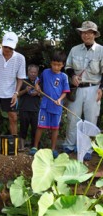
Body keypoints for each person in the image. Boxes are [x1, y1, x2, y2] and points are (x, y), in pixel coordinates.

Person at [63, 21, 103, 161]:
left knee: (91, 120)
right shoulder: (74, 50)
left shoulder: (101, 50)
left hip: (94, 88)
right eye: (83, 32)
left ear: (94, 34)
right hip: (77, 88)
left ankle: (88, 149)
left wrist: (101, 89)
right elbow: (67, 66)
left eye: (88, 32)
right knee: (72, 117)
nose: (85, 35)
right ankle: (69, 145)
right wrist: (73, 76)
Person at [29, 50, 70, 158]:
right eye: (54, 64)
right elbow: (38, 81)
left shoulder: (64, 77)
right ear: (51, 63)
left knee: (55, 128)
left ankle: (53, 149)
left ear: (63, 65)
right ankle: (34, 147)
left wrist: (60, 99)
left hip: (57, 106)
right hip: (45, 104)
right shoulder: (46, 72)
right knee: (40, 126)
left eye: (59, 65)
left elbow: (65, 92)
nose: (56, 67)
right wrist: (37, 86)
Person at [18, 64, 40, 151]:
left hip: (35, 109)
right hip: (24, 108)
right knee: (23, 128)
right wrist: (25, 90)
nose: (33, 74)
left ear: (37, 73)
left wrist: (38, 92)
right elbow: (17, 94)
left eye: (35, 72)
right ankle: (21, 147)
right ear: (28, 72)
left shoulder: (39, 82)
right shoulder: (23, 81)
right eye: (31, 72)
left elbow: (43, 95)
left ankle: (34, 147)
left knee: (35, 129)